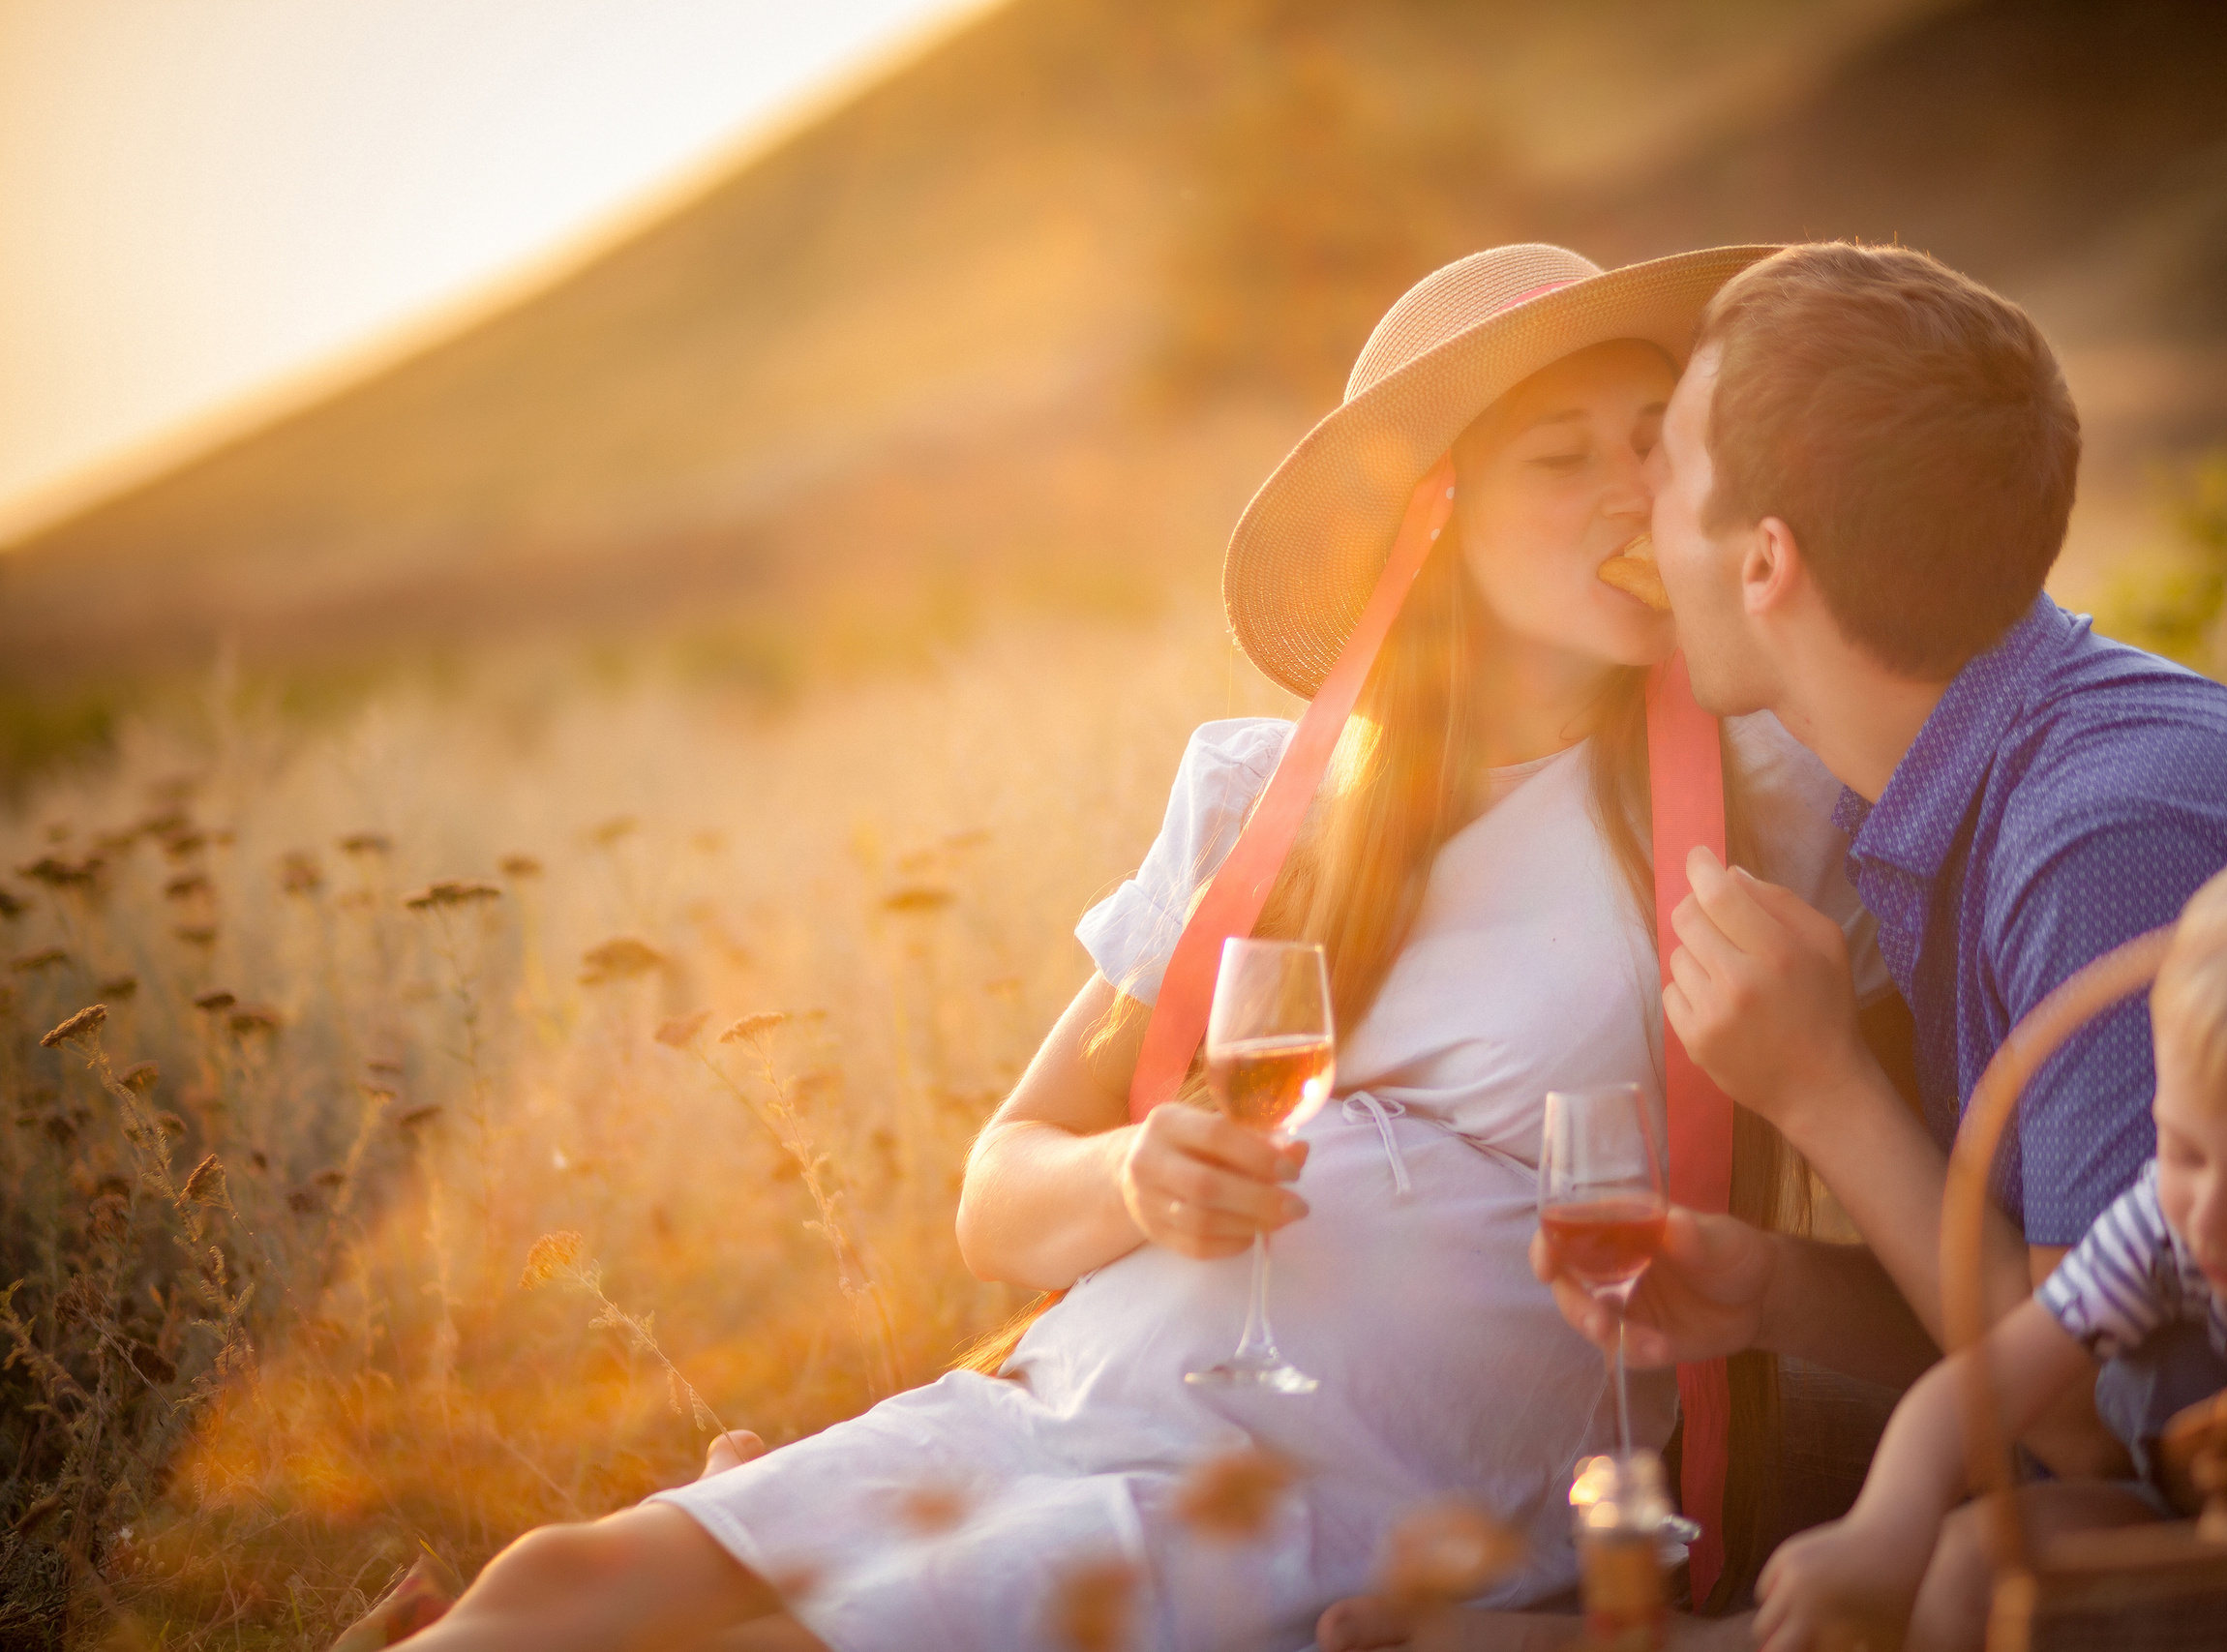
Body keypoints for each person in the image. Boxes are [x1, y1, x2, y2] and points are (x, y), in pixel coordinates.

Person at [361, 243, 1903, 1652]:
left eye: (1656, 437)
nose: (1636, 488)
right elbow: (1000, 1194)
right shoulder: (1269, 800)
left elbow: (1945, 1250)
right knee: (552, 1586)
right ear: (1433, 526)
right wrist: (1135, 1175)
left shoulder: (1771, 795)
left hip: (1357, 1473)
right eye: (1565, 458)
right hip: (1083, 1395)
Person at [1544, 242, 2227, 1477]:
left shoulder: (2101, 841)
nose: (1636, 491)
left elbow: (2124, 1434)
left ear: (1764, 561)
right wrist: (1769, 1288)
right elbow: (2058, 1308)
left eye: (1670, 457)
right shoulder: (1977, 766)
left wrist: (1821, 1090)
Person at [1753, 823, 2227, 1652]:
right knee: (1971, 1563)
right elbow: (1973, 1394)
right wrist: (1882, 1532)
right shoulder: (2166, 1227)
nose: (2208, 1213)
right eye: (2182, 1148)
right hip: (2201, 1533)